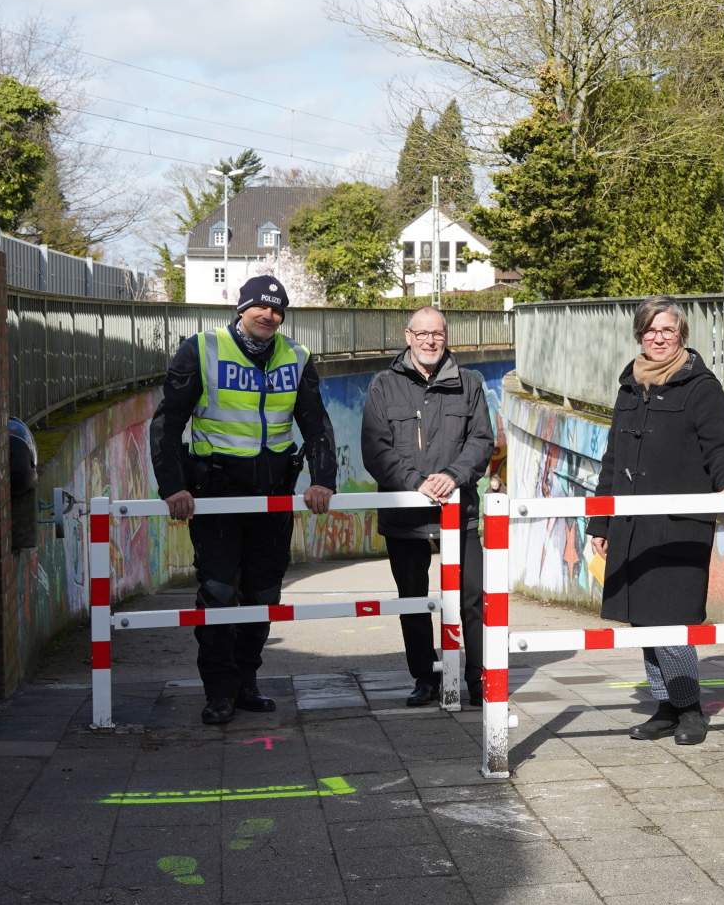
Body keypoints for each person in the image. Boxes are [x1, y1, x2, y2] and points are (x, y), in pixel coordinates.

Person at [151, 274, 336, 724]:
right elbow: (167, 422)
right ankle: (219, 690)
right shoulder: (202, 348)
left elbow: (316, 425)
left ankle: (247, 682)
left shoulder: (297, 356)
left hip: (272, 498)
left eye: (277, 310)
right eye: (260, 308)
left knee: (263, 593)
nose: (269, 316)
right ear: (241, 308)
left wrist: (322, 480)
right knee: (217, 593)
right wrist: (172, 486)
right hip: (215, 496)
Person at [586, 296, 724, 747]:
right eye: (650, 330)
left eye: (668, 330)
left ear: (682, 336)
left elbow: (722, 445)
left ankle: (689, 708)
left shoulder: (700, 387)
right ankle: (665, 706)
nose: (659, 338)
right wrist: (600, 524)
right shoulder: (628, 386)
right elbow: (613, 458)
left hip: (679, 526)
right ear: (639, 334)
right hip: (632, 525)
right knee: (645, 622)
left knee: (673, 623)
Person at [362, 307, 493, 707]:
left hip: (460, 513)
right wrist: (417, 483)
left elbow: (482, 441)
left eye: (437, 333)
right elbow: (375, 449)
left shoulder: (469, 384)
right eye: (422, 334)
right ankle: (425, 678)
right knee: (414, 600)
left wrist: (452, 476)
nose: (430, 341)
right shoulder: (383, 386)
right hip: (405, 515)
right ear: (408, 336)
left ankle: (478, 680)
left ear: (445, 336)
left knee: (472, 599)